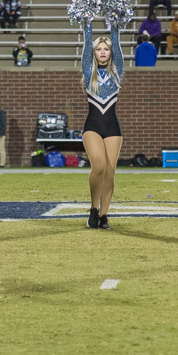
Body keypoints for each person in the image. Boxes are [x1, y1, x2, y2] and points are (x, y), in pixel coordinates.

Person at [80, 15, 125, 230]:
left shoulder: (117, 72)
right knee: (97, 165)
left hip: (113, 128)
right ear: (94, 53)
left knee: (110, 170)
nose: (103, 52)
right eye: (99, 49)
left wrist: (115, 22)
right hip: (92, 126)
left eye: (106, 49)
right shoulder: (89, 72)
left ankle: (104, 214)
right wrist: (87, 21)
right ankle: (93, 208)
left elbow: (116, 43)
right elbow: (86, 43)